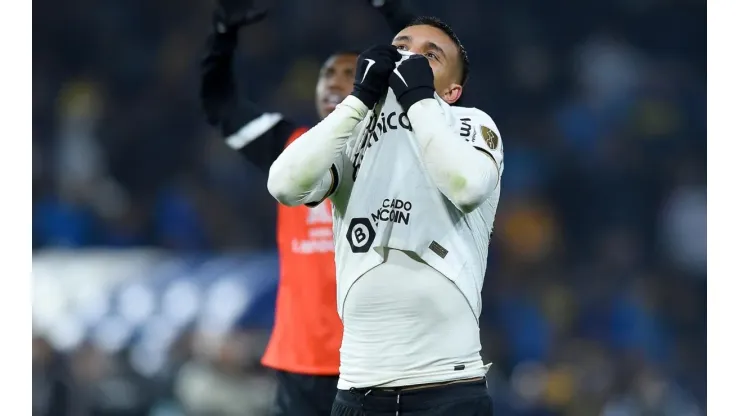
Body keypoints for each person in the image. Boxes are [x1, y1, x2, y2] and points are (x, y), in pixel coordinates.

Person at [267, 16, 503, 416]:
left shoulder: (470, 123)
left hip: (447, 386)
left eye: (431, 55)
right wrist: (358, 99)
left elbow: (467, 186)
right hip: (358, 388)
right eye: (402, 47)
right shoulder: (353, 132)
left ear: (453, 89)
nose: (410, 57)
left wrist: (419, 99)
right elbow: (284, 184)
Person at [199, 0, 415, 415]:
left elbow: (436, 71)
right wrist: (222, 35)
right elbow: (220, 105)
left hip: (371, 363)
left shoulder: (398, 146)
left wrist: (393, 10)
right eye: (327, 75)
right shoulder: (290, 147)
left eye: (350, 74)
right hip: (299, 362)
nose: (335, 83)